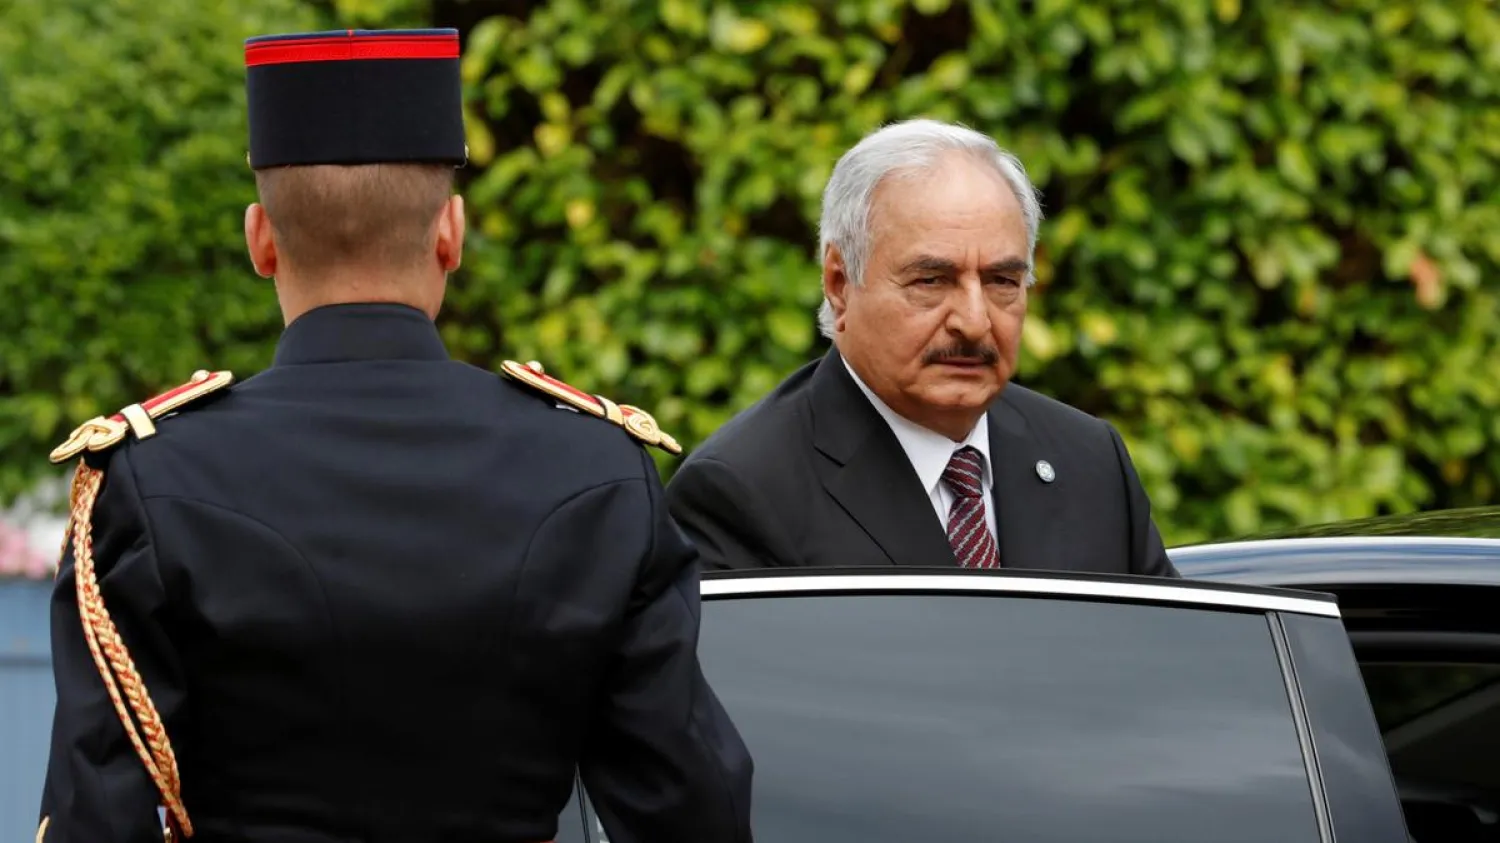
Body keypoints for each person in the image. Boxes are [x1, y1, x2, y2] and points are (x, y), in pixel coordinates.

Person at [36, 28, 753, 843]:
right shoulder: (596, 468)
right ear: (452, 232)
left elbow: (96, 819)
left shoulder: (148, 476)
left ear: (260, 242)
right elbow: (695, 811)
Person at [665, 119, 1178, 578]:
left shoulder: (1088, 458)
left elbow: (1167, 663)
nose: (975, 323)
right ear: (840, 284)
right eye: (931, 280)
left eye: (1002, 280)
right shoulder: (744, 492)